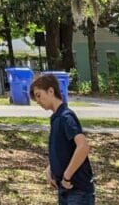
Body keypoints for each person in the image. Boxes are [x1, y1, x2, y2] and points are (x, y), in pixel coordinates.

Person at [31, 72, 96, 205]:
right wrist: (51, 169)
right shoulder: (56, 118)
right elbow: (63, 149)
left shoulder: (66, 117)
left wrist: (67, 176)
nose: (38, 101)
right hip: (64, 189)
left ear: (50, 91)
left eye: (39, 95)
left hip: (78, 191)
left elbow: (83, 147)